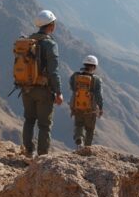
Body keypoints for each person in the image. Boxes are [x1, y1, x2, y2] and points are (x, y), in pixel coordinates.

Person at [21, 10, 62, 157]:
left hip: (26, 88)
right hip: (43, 90)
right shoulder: (50, 44)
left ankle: (28, 152)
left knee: (29, 120)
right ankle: (42, 157)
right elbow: (53, 71)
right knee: (44, 125)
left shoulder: (27, 41)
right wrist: (58, 92)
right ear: (51, 25)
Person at [69, 55, 104, 149]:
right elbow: (99, 96)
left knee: (79, 124)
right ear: (95, 67)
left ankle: (79, 137)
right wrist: (100, 107)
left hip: (77, 106)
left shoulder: (75, 76)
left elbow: (72, 87)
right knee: (90, 129)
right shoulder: (96, 80)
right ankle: (87, 148)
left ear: (84, 64)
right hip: (90, 109)